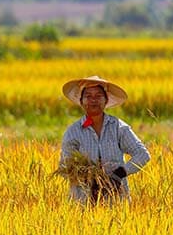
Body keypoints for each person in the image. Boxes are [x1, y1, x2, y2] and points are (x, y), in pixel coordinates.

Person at [59, 75, 150, 203]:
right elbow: (64, 167)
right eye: (88, 96)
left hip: (116, 201)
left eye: (98, 96)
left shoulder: (118, 128)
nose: (93, 100)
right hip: (83, 202)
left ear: (106, 100)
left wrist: (119, 175)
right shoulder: (73, 132)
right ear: (81, 101)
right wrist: (86, 178)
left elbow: (142, 154)